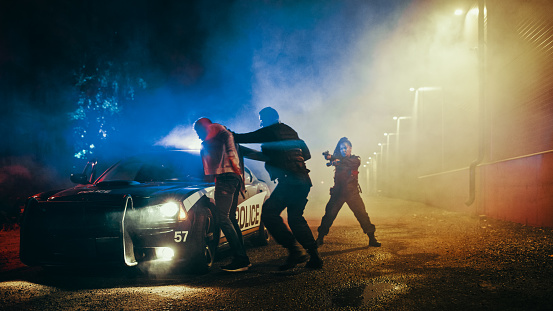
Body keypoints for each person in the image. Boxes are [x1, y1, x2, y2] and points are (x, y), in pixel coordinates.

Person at [232, 107, 323, 270]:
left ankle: (295, 251)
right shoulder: (291, 131)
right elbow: (306, 154)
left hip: (290, 181)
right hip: (303, 181)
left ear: (267, 119)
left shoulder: (270, 131)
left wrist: (226, 134)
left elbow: (244, 137)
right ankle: (314, 257)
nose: (260, 122)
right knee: (296, 219)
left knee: (269, 213)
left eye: (261, 119)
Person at [193, 117, 251, 272]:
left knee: (222, 218)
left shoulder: (217, 131)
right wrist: (240, 180)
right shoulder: (215, 136)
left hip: (226, 177)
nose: (198, 135)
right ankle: (243, 258)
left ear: (204, 126)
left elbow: (230, 146)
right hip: (231, 178)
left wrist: (233, 164)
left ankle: (241, 259)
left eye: (197, 131)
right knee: (230, 218)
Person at [316, 137, 381, 247]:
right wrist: (332, 159)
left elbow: (349, 163)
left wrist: (335, 159)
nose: (344, 150)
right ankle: (320, 237)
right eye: (341, 148)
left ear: (350, 148)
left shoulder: (355, 160)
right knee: (329, 215)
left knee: (362, 215)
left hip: (352, 193)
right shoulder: (337, 161)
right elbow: (337, 162)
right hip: (338, 194)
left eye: (345, 148)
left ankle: (372, 238)